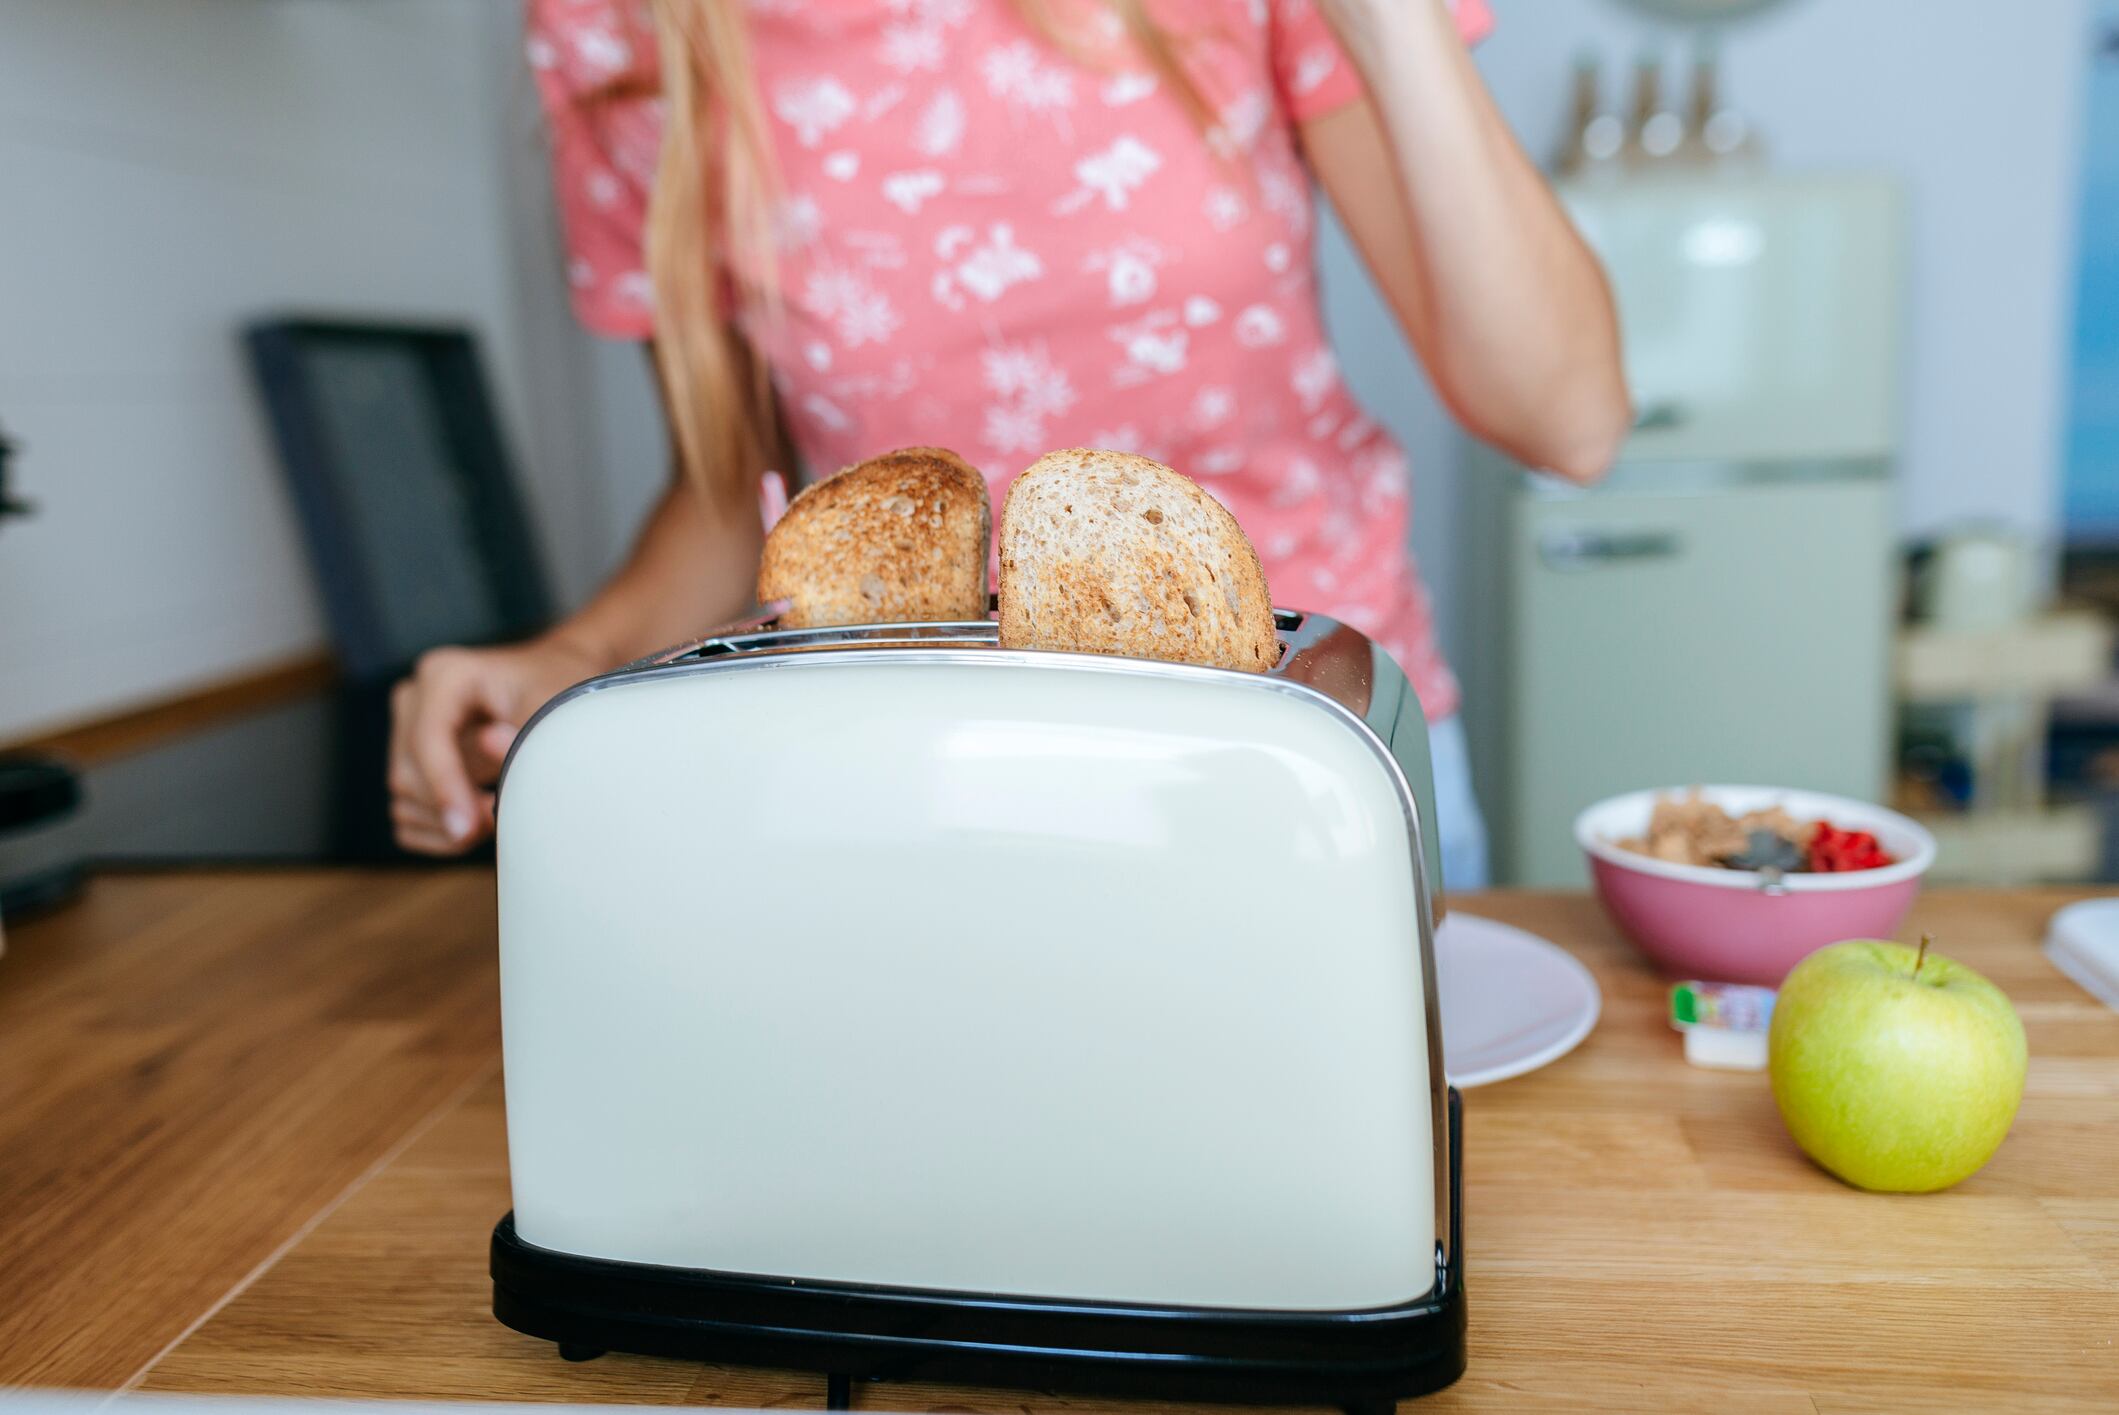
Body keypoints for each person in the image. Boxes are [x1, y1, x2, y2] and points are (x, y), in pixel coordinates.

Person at [388, 0, 1628, 887]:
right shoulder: (623, 26)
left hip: (1314, 770)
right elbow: (730, 489)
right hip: (921, 800)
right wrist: (574, 656)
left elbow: (1566, 417)